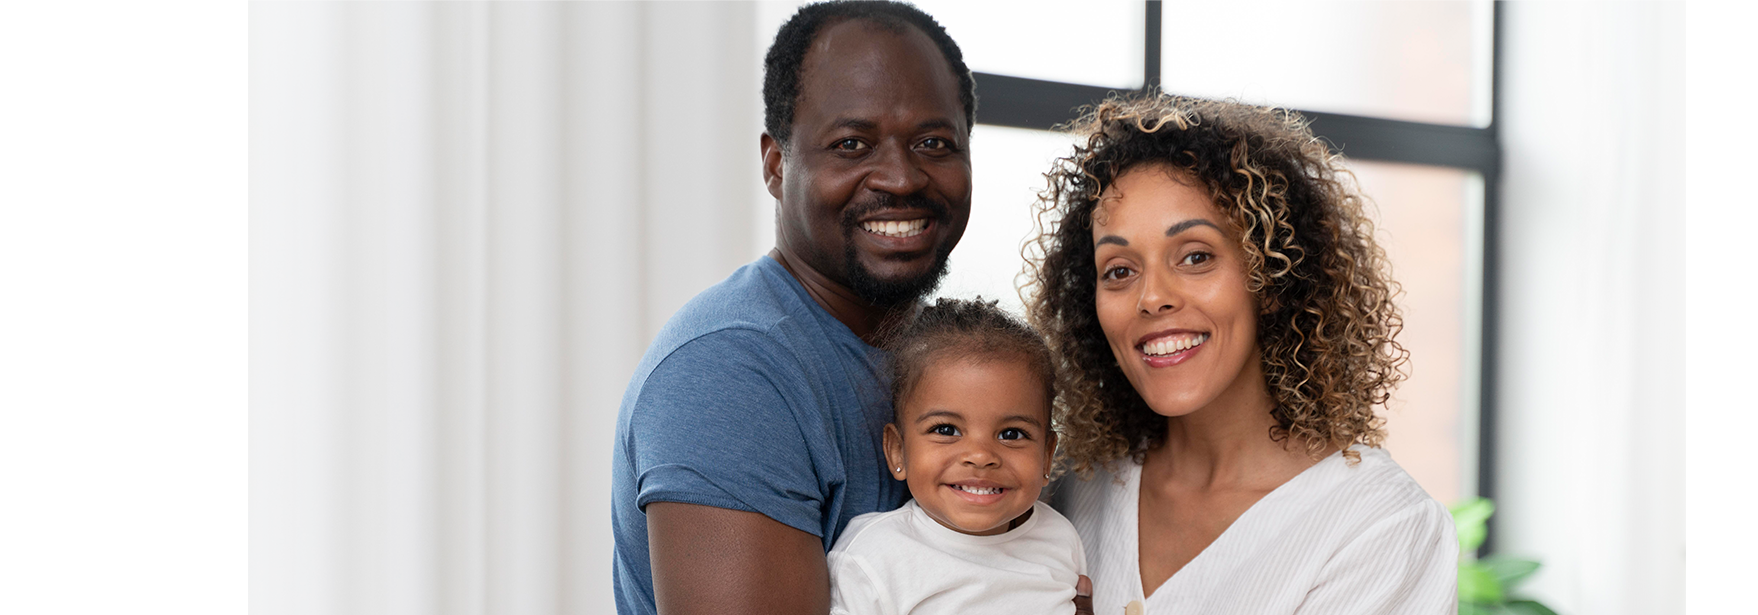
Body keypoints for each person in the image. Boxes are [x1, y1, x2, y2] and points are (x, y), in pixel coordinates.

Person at [609, 2, 981, 614]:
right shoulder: (730, 373)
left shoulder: (950, 361)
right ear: (776, 164)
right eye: (852, 143)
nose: (901, 176)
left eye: (934, 143)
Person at [1029, 94, 1458, 614]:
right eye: (1119, 270)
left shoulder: (1379, 527)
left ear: (1270, 277)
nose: (1152, 297)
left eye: (1196, 257)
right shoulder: (1071, 489)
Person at [827, 298, 1086, 614]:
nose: (980, 456)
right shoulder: (872, 557)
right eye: (946, 430)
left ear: (1046, 457)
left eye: (1011, 434)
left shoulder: (1060, 539)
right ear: (898, 450)